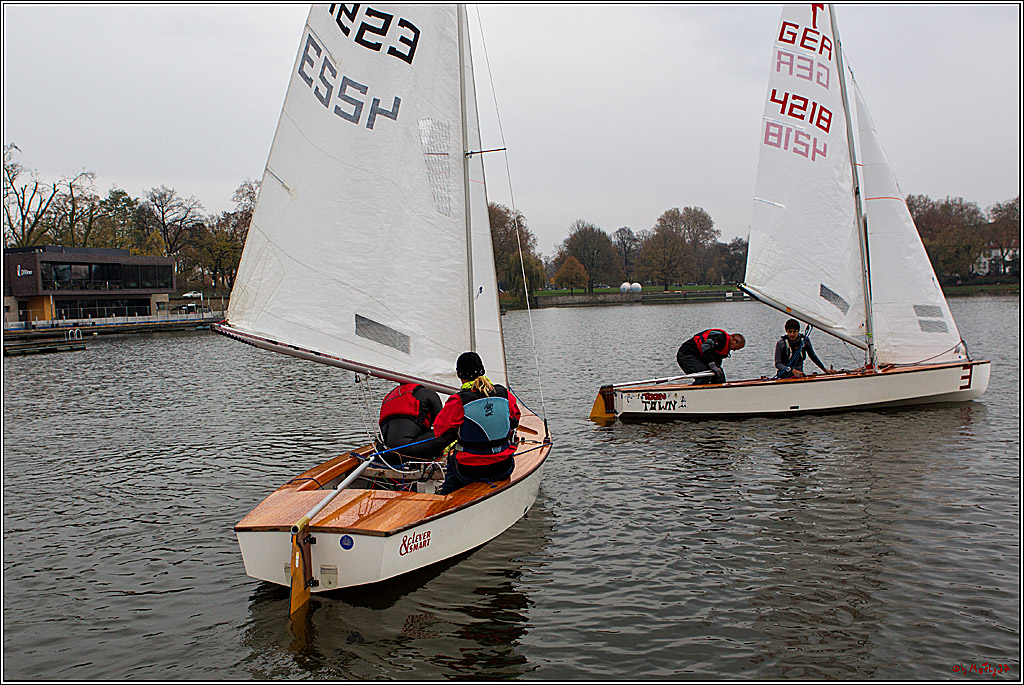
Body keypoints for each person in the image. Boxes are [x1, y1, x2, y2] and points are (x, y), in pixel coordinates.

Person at [433, 351, 521, 495]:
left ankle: (445, 498)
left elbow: (439, 430)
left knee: (452, 460)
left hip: (469, 471)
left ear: (460, 375)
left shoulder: (458, 401)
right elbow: (515, 417)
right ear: (483, 371)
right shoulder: (504, 394)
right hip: (503, 467)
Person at [377, 382, 447, 461]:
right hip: (406, 452)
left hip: (381, 453)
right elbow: (442, 425)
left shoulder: (389, 396)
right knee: (448, 431)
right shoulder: (428, 393)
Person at [676, 328, 745, 385]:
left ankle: (717, 395)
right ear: (734, 340)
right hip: (686, 354)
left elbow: (717, 361)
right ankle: (692, 395)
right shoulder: (720, 337)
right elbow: (705, 347)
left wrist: (717, 370)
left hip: (700, 357)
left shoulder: (725, 348)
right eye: (736, 348)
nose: (734, 350)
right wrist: (711, 364)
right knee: (704, 376)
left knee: (718, 375)